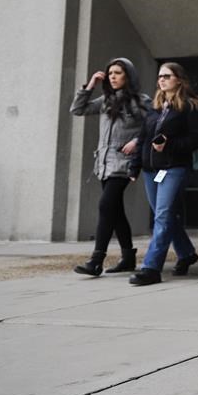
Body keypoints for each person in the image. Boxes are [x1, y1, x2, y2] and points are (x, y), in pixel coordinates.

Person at [70, 58, 151, 277]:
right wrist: (90, 86)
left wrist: (136, 141)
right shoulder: (106, 100)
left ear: (128, 76)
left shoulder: (141, 101)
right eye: (110, 73)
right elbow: (77, 109)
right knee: (115, 211)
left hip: (124, 163)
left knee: (106, 206)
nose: (113, 77)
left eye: (118, 73)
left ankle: (96, 260)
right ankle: (128, 257)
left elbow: (151, 126)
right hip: (104, 164)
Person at [127, 62, 198, 286]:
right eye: (160, 76)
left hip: (174, 169)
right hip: (152, 171)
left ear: (179, 79)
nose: (161, 80)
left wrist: (169, 145)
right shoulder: (155, 107)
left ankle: (151, 268)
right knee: (165, 216)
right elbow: (142, 139)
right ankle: (187, 253)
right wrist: (134, 166)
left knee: (162, 216)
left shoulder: (191, 105)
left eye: (167, 76)